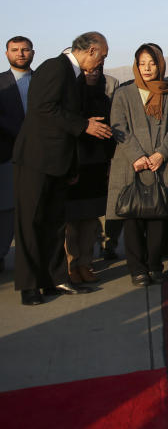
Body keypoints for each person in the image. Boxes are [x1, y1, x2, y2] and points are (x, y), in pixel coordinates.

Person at [13, 32, 112, 305]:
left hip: (59, 163)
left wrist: (83, 121)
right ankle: (29, 286)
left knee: (54, 224)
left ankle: (54, 279)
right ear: (91, 50)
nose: (102, 61)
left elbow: (64, 113)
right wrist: (84, 125)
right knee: (31, 224)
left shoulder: (74, 74)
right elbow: (43, 108)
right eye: (102, 55)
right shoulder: (54, 67)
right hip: (36, 160)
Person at [106, 43, 168, 287]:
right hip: (132, 164)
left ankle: (154, 265)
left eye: (152, 63)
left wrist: (161, 154)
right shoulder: (123, 93)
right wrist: (138, 156)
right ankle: (137, 269)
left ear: (160, 65)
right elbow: (118, 126)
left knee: (159, 217)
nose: (147, 68)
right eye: (142, 63)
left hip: (162, 164)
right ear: (136, 65)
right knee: (133, 218)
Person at [64, 62, 117, 284]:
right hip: (74, 165)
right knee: (71, 221)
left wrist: (109, 164)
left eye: (96, 70)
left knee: (90, 219)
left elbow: (111, 133)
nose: (92, 73)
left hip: (97, 164)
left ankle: (86, 262)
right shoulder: (68, 101)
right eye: (87, 70)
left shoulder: (104, 99)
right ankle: (70, 265)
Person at [0, 36, 34, 273]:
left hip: (38, 155)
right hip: (7, 154)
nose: (20, 54)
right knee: (6, 210)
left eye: (25, 50)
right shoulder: (1, 83)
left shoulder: (42, 80)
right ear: (6, 54)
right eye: (15, 50)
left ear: (33, 52)